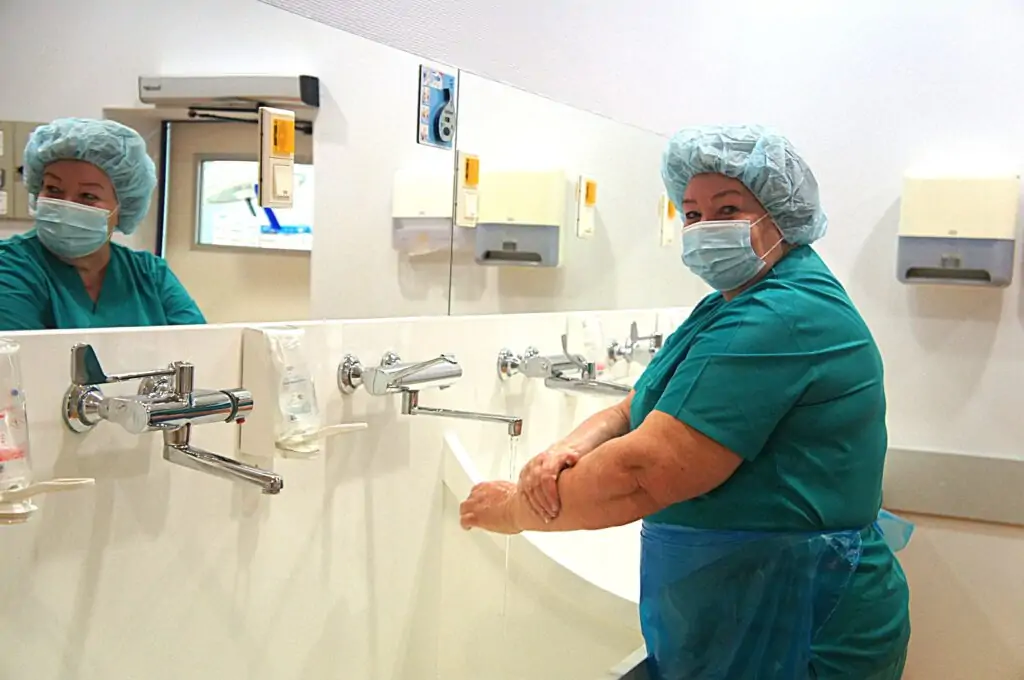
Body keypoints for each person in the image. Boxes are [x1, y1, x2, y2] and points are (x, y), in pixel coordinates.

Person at [459, 125, 913, 679]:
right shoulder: (728, 305)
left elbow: (642, 472)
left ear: (782, 214)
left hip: (798, 620)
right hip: (752, 605)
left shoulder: (778, 317)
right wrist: (566, 450)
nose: (704, 228)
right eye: (693, 214)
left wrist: (513, 510)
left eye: (728, 209)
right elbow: (634, 406)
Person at [0, 117, 205, 330]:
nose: (67, 204)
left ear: (123, 206)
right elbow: (22, 349)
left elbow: (199, 342)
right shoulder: (10, 266)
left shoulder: (149, 275)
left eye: (88, 195)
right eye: (53, 189)